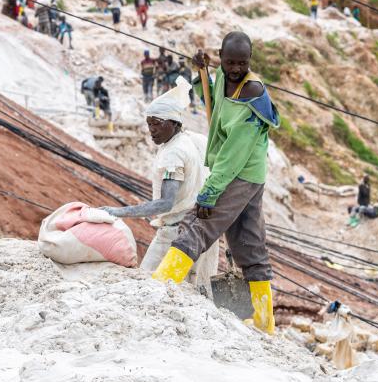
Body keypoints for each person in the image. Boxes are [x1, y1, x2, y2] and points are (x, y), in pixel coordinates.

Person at [153, 31, 280, 336]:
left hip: (239, 174)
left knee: (199, 223)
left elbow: (232, 159)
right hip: (249, 176)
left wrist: (209, 194)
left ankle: (161, 285)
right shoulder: (226, 78)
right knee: (249, 245)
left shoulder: (251, 95)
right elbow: (213, 99)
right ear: (221, 57)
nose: (235, 68)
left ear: (250, 62)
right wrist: (202, 75)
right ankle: (265, 322)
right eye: (229, 62)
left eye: (242, 63)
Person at [101, 87, 218, 295]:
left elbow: (165, 203)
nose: (152, 130)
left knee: (148, 286)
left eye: (156, 124)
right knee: (198, 293)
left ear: (173, 123)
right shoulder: (195, 139)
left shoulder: (173, 154)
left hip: (176, 233)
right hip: (205, 229)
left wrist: (118, 212)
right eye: (149, 124)